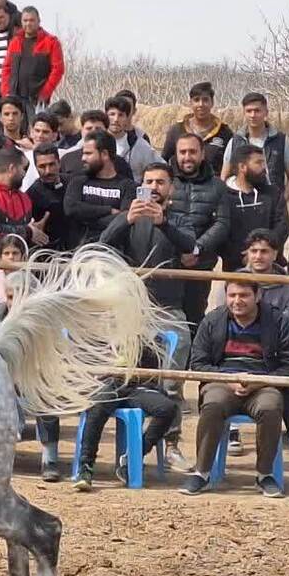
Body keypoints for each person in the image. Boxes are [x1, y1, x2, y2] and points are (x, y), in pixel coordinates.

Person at [99, 162, 197, 471]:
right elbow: (102, 245)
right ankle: (116, 447)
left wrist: (163, 223)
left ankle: (171, 445)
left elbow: (190, 247)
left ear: (171, 187)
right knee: (122, 377)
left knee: (172, 382)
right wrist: (126, 219)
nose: (154, 187)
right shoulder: (129, 216)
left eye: (160, 182)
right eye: (149, 181)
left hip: (169, 309)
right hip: (133, 309)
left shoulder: (179, 218)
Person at [180, 280, 289, 498]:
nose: (237, 301)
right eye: (232, 295)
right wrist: (229, 380)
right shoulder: (212, 320)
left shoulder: (278, 321)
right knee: (213, 405)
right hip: (222, 381)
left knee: (270, 407)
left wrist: (258, 381)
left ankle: (264, 475)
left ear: (258, 295)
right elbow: (198, 363)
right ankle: (202, 473)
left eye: (244, 295)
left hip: (264, 383)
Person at [71, 346, 179, 491]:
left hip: (139, 386)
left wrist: (137, 346)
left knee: (167, 408)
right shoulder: (99, 337)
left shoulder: (149, 338)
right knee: (96, 408)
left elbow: (154, 364)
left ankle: (133, 459)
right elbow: (85, 359)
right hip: (108, 384)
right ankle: (86, 467)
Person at [167, 133, 231, 329]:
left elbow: (222, 223)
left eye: (192, 152)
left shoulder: (218, 186)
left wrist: (196, 249)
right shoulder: (164, 181)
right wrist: (178, 251)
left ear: (202, 154)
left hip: (200, 265)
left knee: (194, 319)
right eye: (183, 152)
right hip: (167, 264)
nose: (187, 157)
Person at [221, 143, 287, 272]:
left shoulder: (273, 193)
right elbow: (220, 230)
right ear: (242, 167)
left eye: (264, 163)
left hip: (271, 268)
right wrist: (244, 255)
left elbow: (282, 226)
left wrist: (262, 252)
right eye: (258, 163)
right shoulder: (223, 196)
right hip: (235, 268)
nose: (264, 168)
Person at [64, 129, 135, 248]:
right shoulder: (78, 181)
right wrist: (109, 210)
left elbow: (124, 219)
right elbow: (71, 208)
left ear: (104, 154)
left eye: (88, 153)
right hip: (79, 252)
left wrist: (87, 218)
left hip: (113, 253)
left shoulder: (127, 186)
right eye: (83, 153)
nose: (83, 158)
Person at [221, 93, 289, 202]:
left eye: (257, 111)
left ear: (266, 112)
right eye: (249, 111)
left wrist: (282, 203)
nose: (253, 115)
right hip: (241, 205)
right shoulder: (235, 142)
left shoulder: (281, 141)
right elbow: (224, 176)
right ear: (244, 113)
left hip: (272, 203)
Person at [161, 82, 233, 176]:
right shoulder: (177, 130)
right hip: (181, 183)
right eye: (196, 100)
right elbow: (164, 161)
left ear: (212, 103)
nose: (201, 104)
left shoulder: (224, 132)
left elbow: (231, 165)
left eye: (205, 100)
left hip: (213, 183)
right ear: (190, 103)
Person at [0, 6, 64, 113]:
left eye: (32, 20)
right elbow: (6, 68)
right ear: (21, 22)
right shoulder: (15, 41)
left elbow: (58, 70)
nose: (28, 24)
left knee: (37, 123)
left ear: (39, 21)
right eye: (25, 20)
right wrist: (6, 93)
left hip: (36, 100)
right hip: (15, 98)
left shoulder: (51, 42)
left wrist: (45, 93)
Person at [239, 228, 289, 320]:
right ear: (248, 254)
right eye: (254, 251)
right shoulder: (233, 282)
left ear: (275, 254)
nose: (258, 256)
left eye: (264, 251)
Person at [104, 96, 161, 182]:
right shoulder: (95, 142)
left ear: (127, 118)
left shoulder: (139, 145)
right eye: (112, 114)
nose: (116, 119)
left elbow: (161, 167)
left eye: (121, 115)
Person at [25, 143, 66, 249]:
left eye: (51, 164)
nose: (48, 171)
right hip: (48, 250)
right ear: (35, 167)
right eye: (42, 166)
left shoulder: (72, 183)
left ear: (59, 163)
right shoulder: (31, 195)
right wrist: (30, 229)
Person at [58, 110, 110, 178]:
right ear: (81, 130)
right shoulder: (67, 159)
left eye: (98, 128)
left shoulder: (113, 159)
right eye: (89, 128)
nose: (93, 132)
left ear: (106, 131)